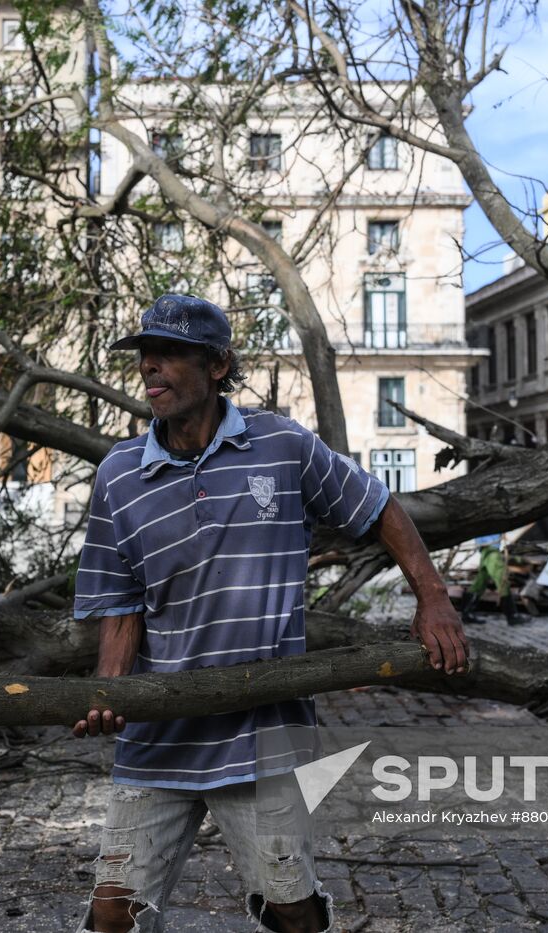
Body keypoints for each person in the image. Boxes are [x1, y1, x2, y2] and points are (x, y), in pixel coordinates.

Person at [71, 294, 468, 933]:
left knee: (290, 905)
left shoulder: (281, 447)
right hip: (159, 736)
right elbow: (120, 606)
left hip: (264, 732)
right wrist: (110, 691)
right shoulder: (121, 475)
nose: (152, 368)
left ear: (219, 364)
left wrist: (433, 598)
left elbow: (377, 507)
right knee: (114, 912)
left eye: (171, 353)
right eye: (146, 356)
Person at [455, 535, 531, 626]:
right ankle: (512, 616)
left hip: (485, 550)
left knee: (480, 583)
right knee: (502, 581)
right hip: (492, 550)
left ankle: (467, 614)